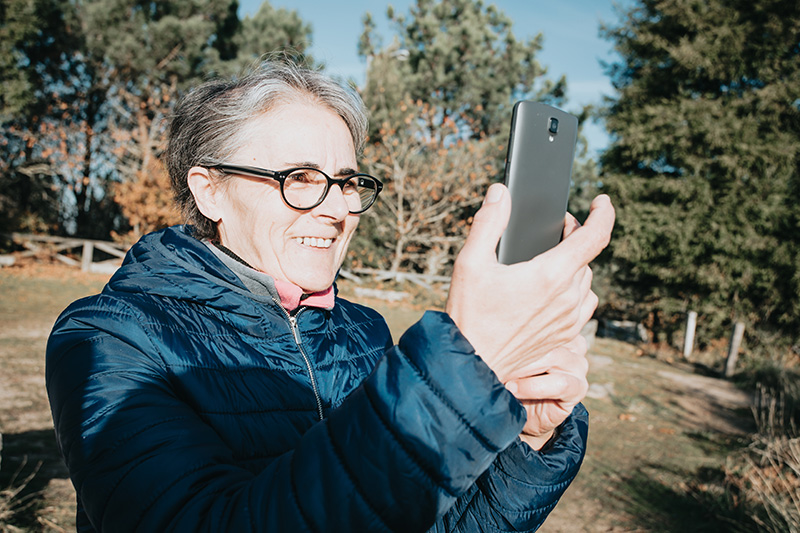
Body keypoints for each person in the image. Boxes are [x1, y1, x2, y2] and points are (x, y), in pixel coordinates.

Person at [46, 58, 615, 532]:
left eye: (347, 181)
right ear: (210, 191)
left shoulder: (362, 330)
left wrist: (528, 442)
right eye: (300, 177)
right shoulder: (109, 339)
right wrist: (461, 368)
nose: (339, 207)